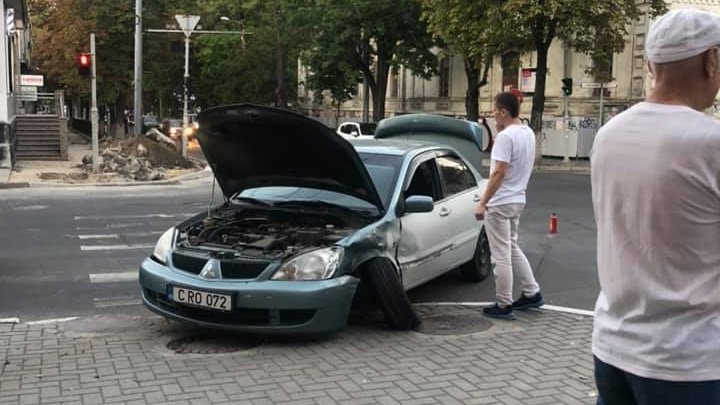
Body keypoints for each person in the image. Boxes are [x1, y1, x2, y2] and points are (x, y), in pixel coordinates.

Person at [590, 8, 720, 405]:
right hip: (687, 361)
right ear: (711, 59)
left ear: (649, 63)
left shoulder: (609, 134)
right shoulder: (710, 143)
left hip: (613, 346)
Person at [474, 92, 543, 320]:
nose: (493, 115)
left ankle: (504, 304)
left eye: (494, 110)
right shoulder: (528, 133)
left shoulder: (505, 137)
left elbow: (498, 173)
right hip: (517, 199)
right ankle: (531, 292)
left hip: (500, 202)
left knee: (500, 255)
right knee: (512, 247)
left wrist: (483, 203)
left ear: (503, 111)